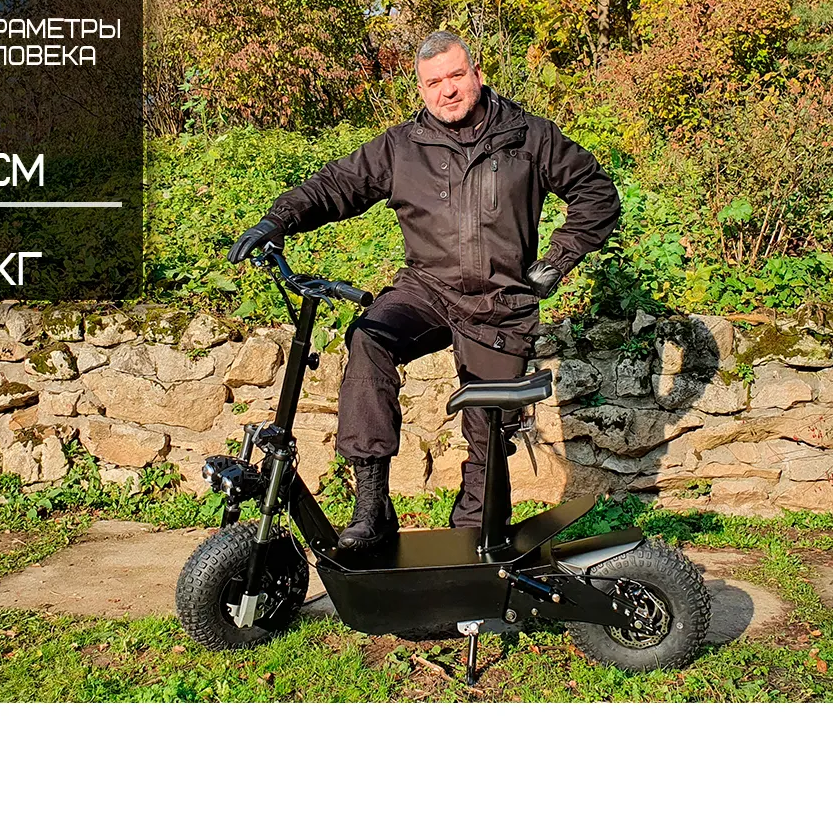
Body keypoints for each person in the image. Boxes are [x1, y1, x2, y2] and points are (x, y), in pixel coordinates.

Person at [228, 31, 620, 550]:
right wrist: (278, 220)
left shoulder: (530, 137)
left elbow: (596, 193)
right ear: (421, 89)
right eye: (434, 82)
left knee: (489, 430)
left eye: (456, 76)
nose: (447, 90)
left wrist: (556, 261)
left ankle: (473, 547)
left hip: (500, 304)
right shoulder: (401, 147)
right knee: (369, 337)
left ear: (477, 74)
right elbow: (337, 185)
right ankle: (372, 507)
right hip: (426, 291)